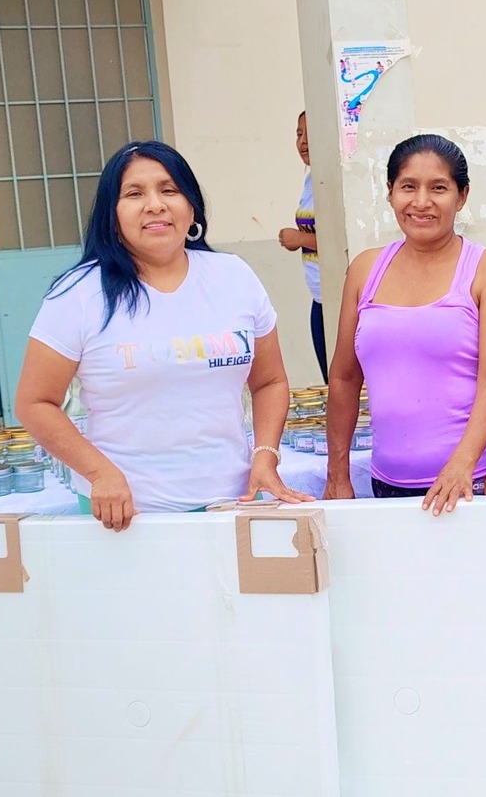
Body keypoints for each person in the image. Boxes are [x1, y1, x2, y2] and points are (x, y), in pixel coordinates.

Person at [15, 141, 310, 529]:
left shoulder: (234, 277)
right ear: (112, 214)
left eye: (169, 190)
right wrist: (100, 473)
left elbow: (269, 381)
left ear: (192, 207)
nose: (155, 205)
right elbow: (35, 402)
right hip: (125, 514)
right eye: (134, 194)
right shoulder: (79, 294)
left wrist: (265, 454)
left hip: (232, 502)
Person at [325, 135, 486, 513]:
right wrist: (337, 473)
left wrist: (461, 465)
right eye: (408, 187)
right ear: (390, 192)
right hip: (387, 483)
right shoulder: (365, 270)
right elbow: (345, 378)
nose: (421, 202)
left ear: (462, 196)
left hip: (472, 484)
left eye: (439, 188)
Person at [277, 110, 327, 381]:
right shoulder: (311, 180)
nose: (303, 141)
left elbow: (343, 240)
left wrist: (301, 240)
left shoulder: (334, 180)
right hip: (318, 297)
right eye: (299, 134)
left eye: (310, 133)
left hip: (339, 300)